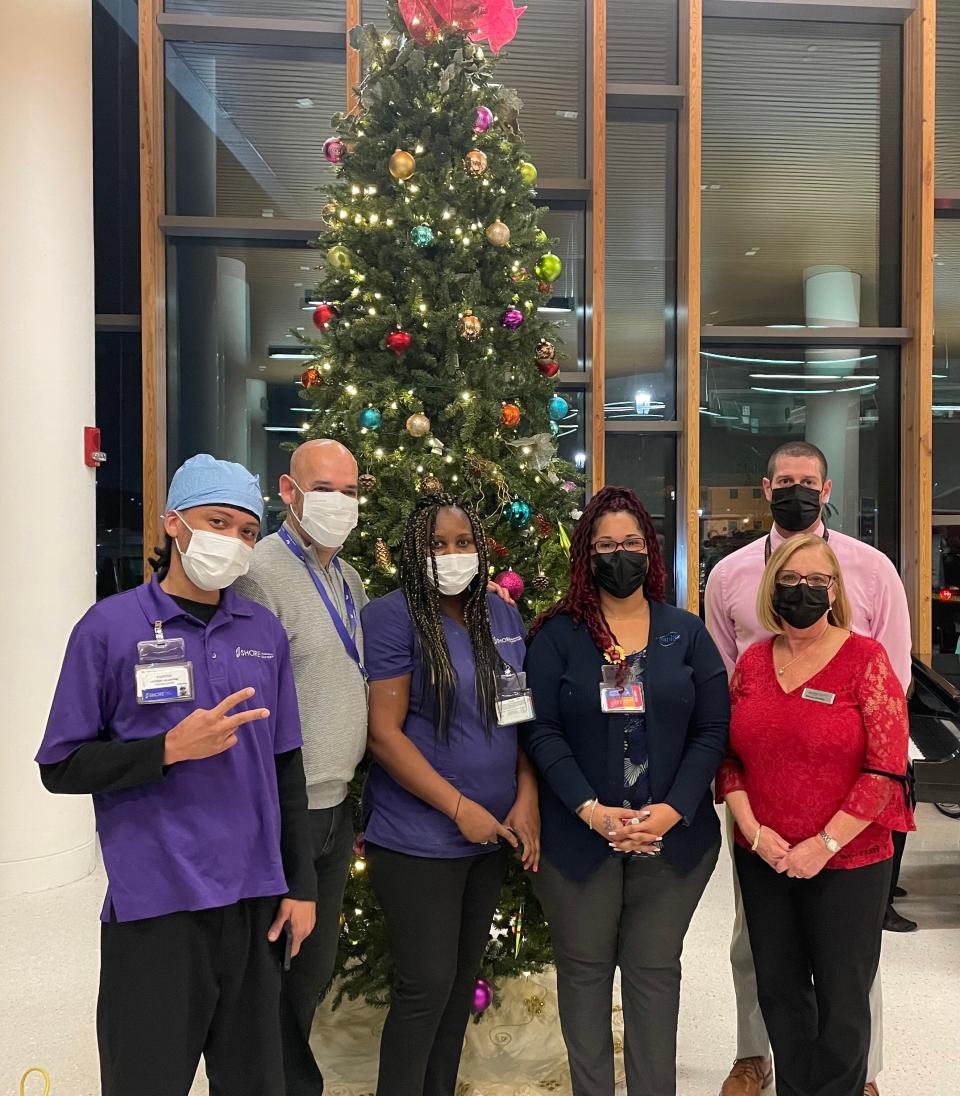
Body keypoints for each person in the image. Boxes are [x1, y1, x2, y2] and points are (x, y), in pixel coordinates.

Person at [35, 454, 316, 1096]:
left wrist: (300, 885)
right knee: (146, 1078)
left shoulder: (263, 633)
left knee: (256, 1082)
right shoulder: (109, 628)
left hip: (254, 901)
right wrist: (165, 749)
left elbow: (285, 768)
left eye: (248, 531)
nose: (236, 542)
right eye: (219, 522)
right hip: (156, 901)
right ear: (174, 525)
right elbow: (61, 765)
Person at [704, 441, 913, 1096]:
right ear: (767, 488)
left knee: (847, 980)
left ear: (826, 490)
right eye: (790, 584)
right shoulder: (733, 588)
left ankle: (857, 1078)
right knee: (773, 972)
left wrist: (826, 842)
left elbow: (891, 710)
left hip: (849, 842)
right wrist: (758, 833)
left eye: (817, 585)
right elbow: (726, 728)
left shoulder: (873, 577)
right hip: (763, 839)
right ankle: (763, 1061)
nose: (802, 592)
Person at [522, 485, 730, 1096]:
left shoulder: (685, 632)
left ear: (651, 551)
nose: (621, 555)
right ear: (587, 553)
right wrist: (589, 809)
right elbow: (540, 730)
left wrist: (670, 810)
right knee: (583, 975)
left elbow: (713, 729)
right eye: (606, 544)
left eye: (632, 543)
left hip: (674, 840)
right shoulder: (558, 636)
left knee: (653, 972)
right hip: (576, 838)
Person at [360, 493, 540, 1096]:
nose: (453, 555)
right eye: (437, 544)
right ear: (414, 550)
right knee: (426, 987)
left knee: (460, 985)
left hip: (489, 838)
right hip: (418, 838)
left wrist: (525, 794)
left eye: (463, 543)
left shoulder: (501, 616)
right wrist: (459, 808)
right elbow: (383, 736)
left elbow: (518, 716)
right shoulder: (392, 617)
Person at [234, 438, 367, 1096]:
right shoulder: (261, 573)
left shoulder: (349, 578)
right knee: (276, 976)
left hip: (335, 806)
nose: (339, 504)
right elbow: (256, 708)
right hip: (284, 808)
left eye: (349, 491)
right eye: (324, 489)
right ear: (288, 492)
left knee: (311, 970)